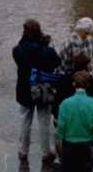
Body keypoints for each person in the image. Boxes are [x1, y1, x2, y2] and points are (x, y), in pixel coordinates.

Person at [13, 19, 62, 164]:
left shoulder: (17, 50)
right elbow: (57, 62)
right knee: (44, 122)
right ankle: (46, 153)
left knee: (25, 121)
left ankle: (23, 151)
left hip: (24, 89)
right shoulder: (47, 50)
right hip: (44, 89)